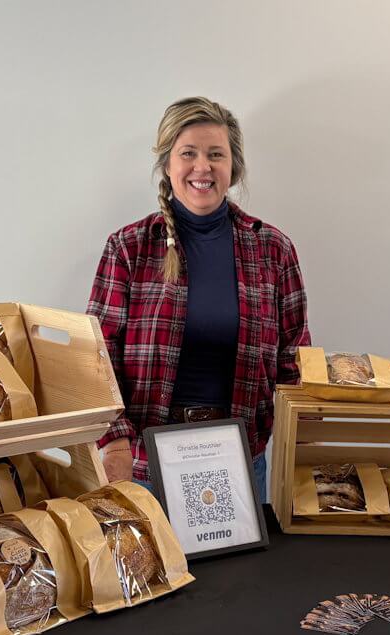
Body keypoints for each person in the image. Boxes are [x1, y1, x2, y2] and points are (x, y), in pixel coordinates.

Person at [87, 96, 311, 503]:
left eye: (215, 155)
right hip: (143, 465)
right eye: (188, 153)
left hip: (241, 461)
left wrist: (291, 434)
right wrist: (115, 441)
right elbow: (96, 355)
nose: (202, 167)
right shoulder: (129, 248)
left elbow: (294, 357)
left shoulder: (273, 249)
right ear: (168, 164)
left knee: (242, 571)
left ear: (233, 167)